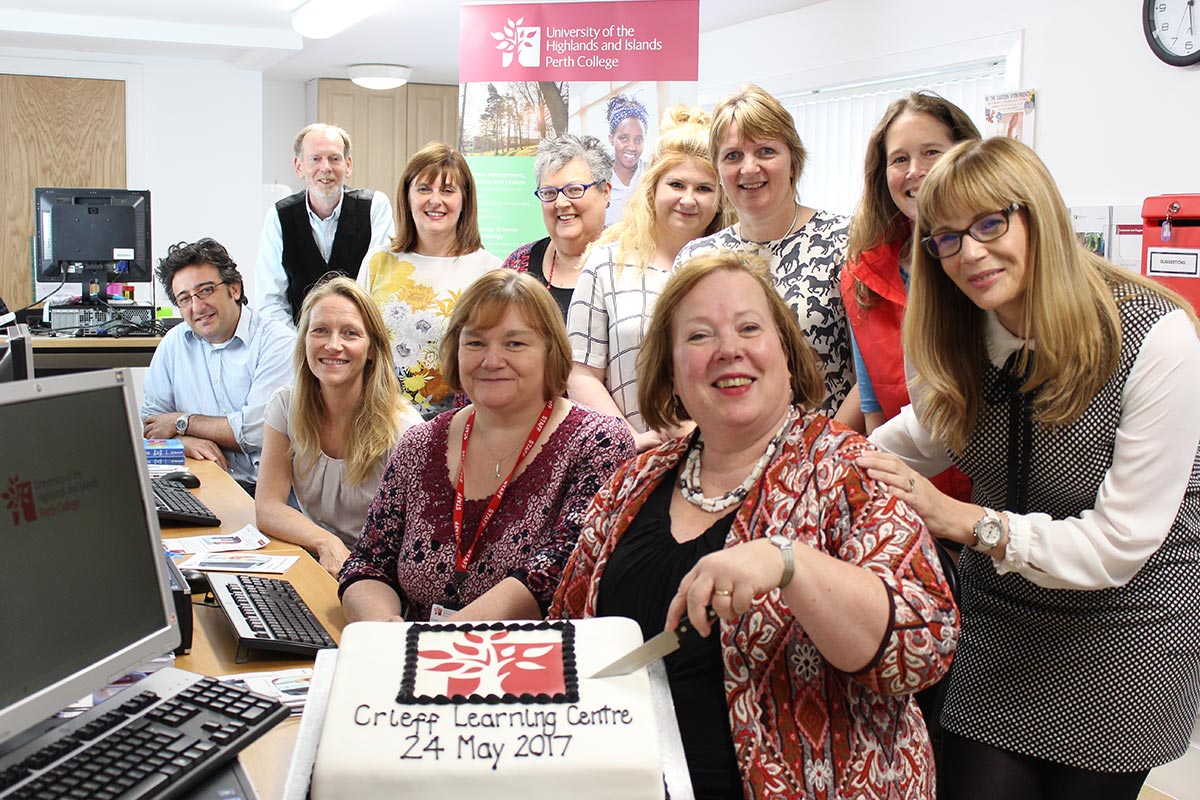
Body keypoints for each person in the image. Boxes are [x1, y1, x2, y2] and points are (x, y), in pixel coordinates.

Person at [856, 136, 1200, 800]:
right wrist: (780, 452)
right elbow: (909, 443)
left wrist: (961, 520)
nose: (971, 252)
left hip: (1127, 630)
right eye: (948, 238)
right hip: (1002, 626)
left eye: (991, 223)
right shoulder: (964, 339)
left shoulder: (1155, 338)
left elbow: (1119, 545)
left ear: (1038, 215)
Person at [552, 251, 957, 800]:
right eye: (699, 336)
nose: (728, 350)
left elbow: (923, 647)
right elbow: (568, 642)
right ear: (671, 372)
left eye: (748, 328)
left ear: (787, 355)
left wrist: (791, 562)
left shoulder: (851, 471)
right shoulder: (633, 480)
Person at [340, 270, 635, 623]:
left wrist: (442, 641)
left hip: (534, 667)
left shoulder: (599, 442)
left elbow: (558, 569)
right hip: (419, 662)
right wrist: (383, 628)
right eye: (476, 342)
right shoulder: (419, 445)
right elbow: (368, 562)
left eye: (515, 343)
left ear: (551, 351)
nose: (491, 361)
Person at [676, 84, 853, 417]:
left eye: (766, 151)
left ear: (792, 160)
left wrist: (823, 449)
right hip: (732, 454)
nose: (749, 168)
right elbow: (685, 369)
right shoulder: (695, 259)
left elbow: (871, 372)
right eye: (733, 156)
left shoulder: (845, 240)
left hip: (827, 451)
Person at [567, 106, 731, 452]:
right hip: (629, 458)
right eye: (676, 184)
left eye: (704, 188)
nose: (688, 199)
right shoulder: (606, 263)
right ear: (652, 187)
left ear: (720, 199)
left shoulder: (732, 268)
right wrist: (630, 440)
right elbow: (581, 373)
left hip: (720, 456)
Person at [255, 276, 422, 577]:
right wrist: (325, 542)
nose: (333, 345)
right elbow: (268, 506)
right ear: (304, 340)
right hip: (320, 559)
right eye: (320, 331)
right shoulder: (285, 406)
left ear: (372, 349)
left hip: (382, 578)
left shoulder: (404, 431)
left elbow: (415, 545)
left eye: (350, 333)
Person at [843, 92, 978, 450]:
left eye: (931, 152)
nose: (915, 171)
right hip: (907, 478)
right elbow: (874, 411)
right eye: (900, 159)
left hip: (988, 487)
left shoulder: (988, 265)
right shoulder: (863, 277)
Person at [357, 142, 501, 418]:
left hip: (459, 428)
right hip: (380, 423)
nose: (435, 200)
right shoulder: (378, 262)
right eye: (424, 189)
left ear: (465, 200)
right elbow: (360, 343)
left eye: (447, 190)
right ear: (408, 196)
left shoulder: (490, 271)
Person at [142, 238, 294, 495]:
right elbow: (151, 426)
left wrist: (182, 422)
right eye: (184, 299)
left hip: (268, 494)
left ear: (234, 289)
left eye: (205, 291)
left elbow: (260, 431)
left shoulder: (278, 342)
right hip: (202, 485)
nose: (197, 307)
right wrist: (183, 441)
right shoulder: (173, 344)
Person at [255, 123, 395, 329]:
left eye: (334, 158)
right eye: (315, 159)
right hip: (298, 345)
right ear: (299, 166)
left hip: (361, 339)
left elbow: (382, 287)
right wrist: (302, 347)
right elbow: (270, 301)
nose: (326, 168)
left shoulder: (375, 207)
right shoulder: (278, 216)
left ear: (348, 165)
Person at [501, 134, 612, 320]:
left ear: (605, 192)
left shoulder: (635, 262)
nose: (561, 202)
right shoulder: (518, 265)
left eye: (574, 190)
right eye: (549, 193)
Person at [604, 94, 649, 226]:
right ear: (611, 139)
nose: (632, 147)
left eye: (638, 140)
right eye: (624, 138)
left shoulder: (651, 174)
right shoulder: (597, 176)